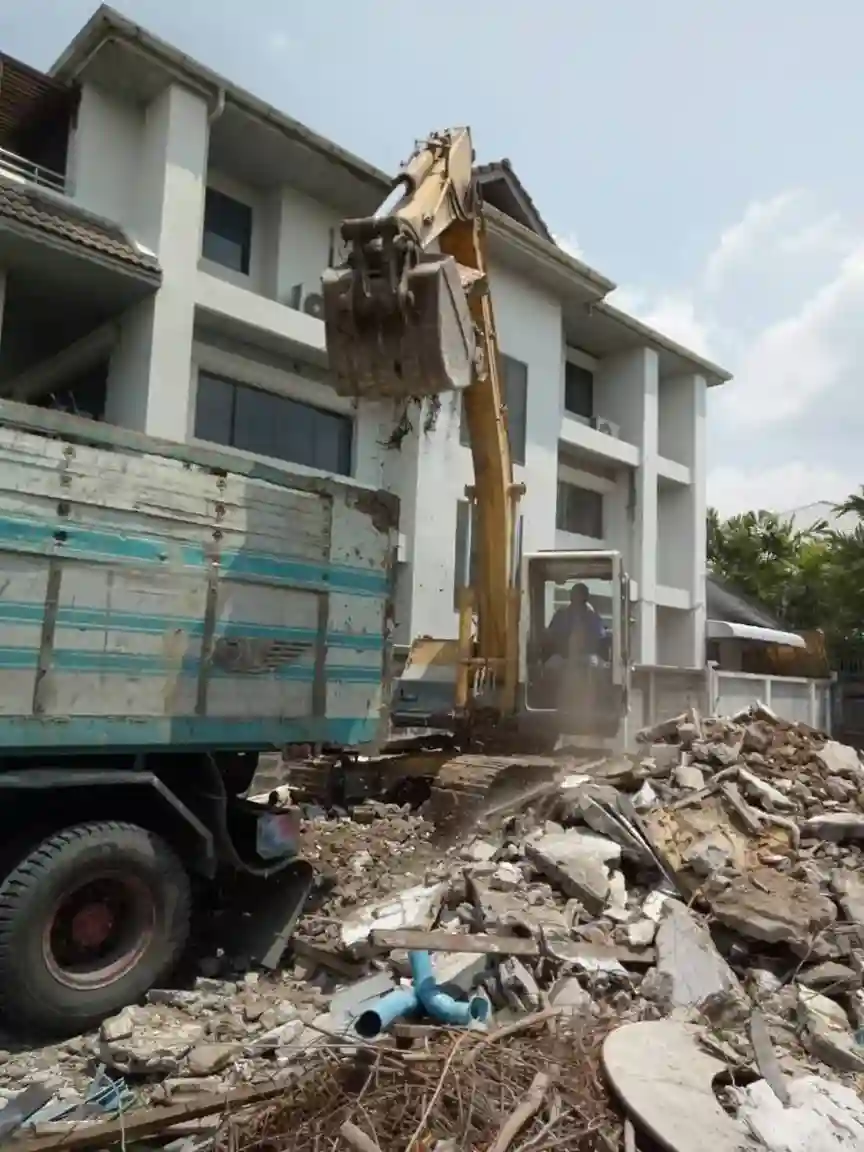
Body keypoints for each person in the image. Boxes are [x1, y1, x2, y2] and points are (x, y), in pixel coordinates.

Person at [542, 583, 606, 668]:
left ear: (586, 598)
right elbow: (552, 636)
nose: (578, 598)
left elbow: (600, 638)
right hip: (563, 657)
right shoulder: (560, 615)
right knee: (550, 665)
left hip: (586, 657)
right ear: (571, 597)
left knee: (597, 665)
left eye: (581, 596)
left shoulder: (593, 617)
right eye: (575, 595)